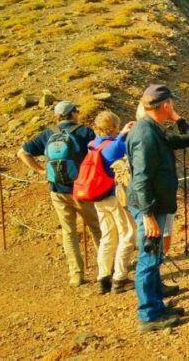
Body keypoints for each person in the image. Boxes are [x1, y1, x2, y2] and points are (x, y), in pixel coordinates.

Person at [127, 85, 189, 333]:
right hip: (149, 205)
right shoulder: (146, 135)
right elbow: (141, 178)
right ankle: (149, 314)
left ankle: (158, 306)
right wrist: (147, 215)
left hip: (154, 203)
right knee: (148, 259)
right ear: (165, 105)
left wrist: (178, 118)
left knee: (154, 256)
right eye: (172, 105)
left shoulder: (151, 129)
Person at [17, 101, 102, 287]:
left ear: (57, 116)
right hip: (81, 190)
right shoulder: (84, 132)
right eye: (77, 111)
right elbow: (97, 155)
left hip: (56, 190)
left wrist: (41, 171)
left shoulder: (48, 133)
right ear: (73, 114)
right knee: (96, 228)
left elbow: (22, 152)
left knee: (69, 232)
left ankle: (76, 275)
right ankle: (105, 270)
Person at [86, 111, 137, 295]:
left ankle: (103, 277)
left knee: (108, 236)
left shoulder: (92, 144)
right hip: (113, 197)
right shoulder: (113, 146)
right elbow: (121, 151)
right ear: (114, 126)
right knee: (128, 234)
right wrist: (123, 135)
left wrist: (121, 134)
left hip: (97, 197)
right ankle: (120, 278)